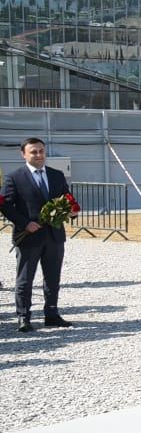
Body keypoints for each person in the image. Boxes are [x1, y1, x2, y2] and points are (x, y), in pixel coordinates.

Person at [3, 138, 73, 332]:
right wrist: (25, 223)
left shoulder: (56, 175)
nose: (39, 155)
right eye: (34, 152)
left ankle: (51, 314)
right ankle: (23, 316)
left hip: (54, 236)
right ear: (23, 154)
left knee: (52, 277)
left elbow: (67, 198)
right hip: (29, 236)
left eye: (41, 151)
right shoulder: (14, 177)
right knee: (25, 279)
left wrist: (71, 209)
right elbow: (5, 205)